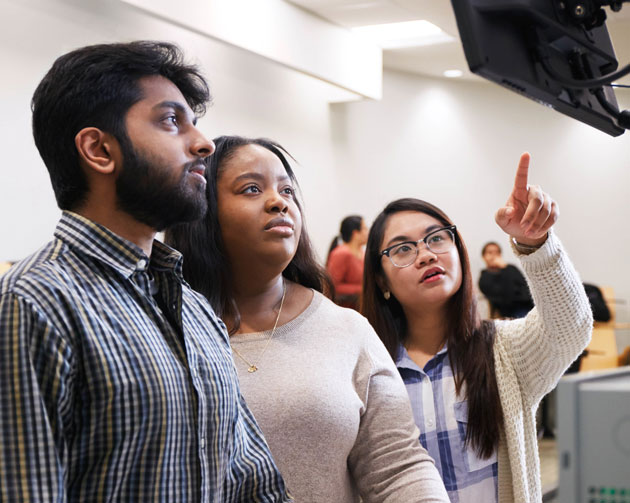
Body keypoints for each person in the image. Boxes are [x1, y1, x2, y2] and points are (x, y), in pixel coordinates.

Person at [0, 42, 290, 502]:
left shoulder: (191, 306)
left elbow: (251, 483)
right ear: (99, 149)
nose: (203, 144)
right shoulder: (34, 302)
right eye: (171, 121)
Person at [166, 135, 450, 503]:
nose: (278, 202)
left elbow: (397, 467)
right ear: (202, 209)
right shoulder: (162, 327)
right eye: (252, 189)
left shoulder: (347, 329)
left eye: (287, 190)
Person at [360, 153, 592, 503]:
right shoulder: (368, 368)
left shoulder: (503, 349)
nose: (425, 255)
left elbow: (570, 329)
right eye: (403, 249)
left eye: (436, 238)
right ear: (381, 280)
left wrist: (536, 243)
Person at [478, 241, 534, 318]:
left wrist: (505, 268)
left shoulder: (511, 269)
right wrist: (504, 267)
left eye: (497, 253)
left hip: (531, 306)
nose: (494, 256)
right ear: (484, 257)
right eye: (490, 253)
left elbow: (527, 289)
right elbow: (507, 299)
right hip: (512, 312)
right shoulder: (484, 278)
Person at [326, 215, 368, 309]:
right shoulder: (341, 254)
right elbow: (332, 287)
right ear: (355, 233)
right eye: (365, 229)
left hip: (360, 308)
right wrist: (362, 289)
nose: (368, 232)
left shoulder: (362, 252)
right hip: (345, 310)